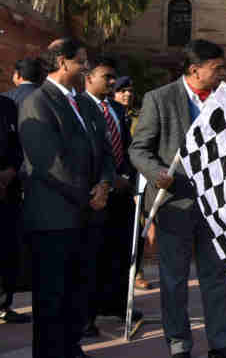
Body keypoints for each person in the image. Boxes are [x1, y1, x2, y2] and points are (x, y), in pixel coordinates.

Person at [129, 39, 226, 358]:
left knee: (217, 278)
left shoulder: (223, 101)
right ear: (195, 70)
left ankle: (221, 344)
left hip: (216, 206)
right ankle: (179, 344)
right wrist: (157, 173)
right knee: (174, 280)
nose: (223, 73)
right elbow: (138, 150)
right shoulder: (159, 99)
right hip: (174, 205)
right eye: (217, 68)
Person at [19, 38, 113, 358]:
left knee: (78, 293)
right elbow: (48, 164)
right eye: (81, 61)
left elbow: (104, 150)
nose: (86, 67)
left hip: (87, 215)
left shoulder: (86, 104)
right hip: (54, 218)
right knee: (52, 299)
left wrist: (104, 183)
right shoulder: (37, 102)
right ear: (62, 63)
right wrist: (88, 196)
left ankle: (71, 348)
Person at [78, 56, 143, 337]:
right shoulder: (79, 107)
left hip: (122, 193)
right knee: (92, 256)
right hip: (94, 194)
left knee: (120, 251)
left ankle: (116, 303)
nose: (113, 82)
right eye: (107, 77)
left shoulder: (117, 109)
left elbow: (127, 148)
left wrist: (126, 179)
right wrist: (105, 181)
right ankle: (85, 317)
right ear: (89, 77)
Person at [112, 75, 151, 290]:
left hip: (137, 177)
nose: (127, 94)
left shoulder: (139, 117)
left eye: (129, 90)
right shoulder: (105, 113)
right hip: (113, 179)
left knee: (138, 227)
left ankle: (137, 272)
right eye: (121, 90)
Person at [0, 93, 24, 324]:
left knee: (7, 249)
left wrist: (11, 172)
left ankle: (3, 304)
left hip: (8, 190)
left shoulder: (7, 106)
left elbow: (19, 146)